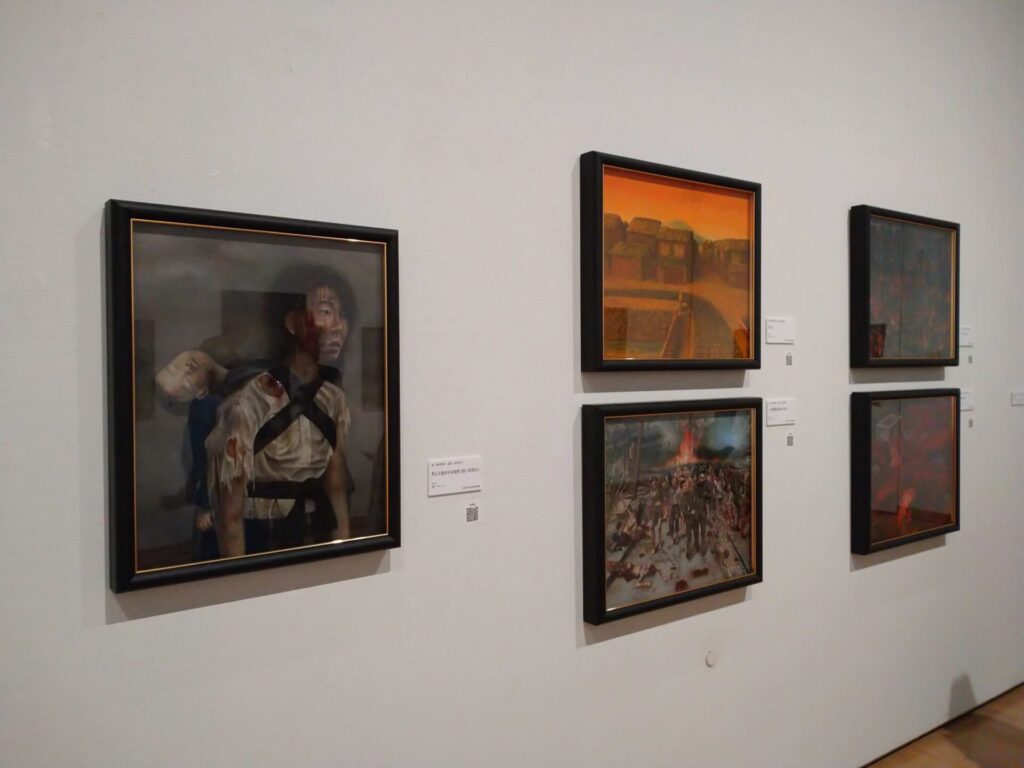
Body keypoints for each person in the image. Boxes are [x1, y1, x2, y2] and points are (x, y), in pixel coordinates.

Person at [207, 266, 354, 556]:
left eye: (342, 315)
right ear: (292, 322)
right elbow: (230, 514)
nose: (338, 326)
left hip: (314, 536)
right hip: (262, 540)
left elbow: (335, 484)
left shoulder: (334, 399)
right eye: (325, 311)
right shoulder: (250, 401)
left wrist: (344, 544)